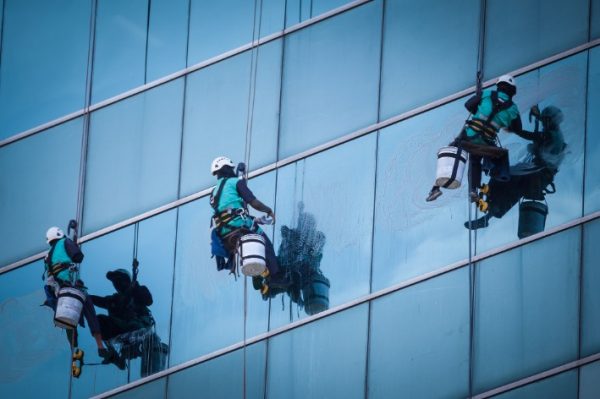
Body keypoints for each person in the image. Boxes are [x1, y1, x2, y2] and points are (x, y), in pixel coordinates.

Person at [465, 105, 566, 230]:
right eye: (544, 120)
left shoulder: (552, 135)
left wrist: (514, 129)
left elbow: (531, 136)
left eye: (546, 120)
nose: (544, 123)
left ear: (552, 120)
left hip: (537, 172)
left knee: (506, 179)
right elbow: (541, 137)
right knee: (511, 189)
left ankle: (488, 210)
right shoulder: (554, 132)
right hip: (538, 172)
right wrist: (537, 115)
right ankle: (487, 213)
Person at [426, 75, 522, 203]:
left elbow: (468, 105)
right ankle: (473, 190)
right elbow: (518, 128)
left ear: (499, 86)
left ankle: (435, 188)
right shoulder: (513, 109)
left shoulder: (487, 94)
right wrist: (504, 123)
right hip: (486, 144)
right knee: (475, 160)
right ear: (512, 91)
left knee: (452, 150)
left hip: (468, 138)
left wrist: (479, 111)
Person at [209, 156, 283, 293]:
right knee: (265, 243)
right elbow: (253, 202)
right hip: (239, 227)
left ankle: (260, 274)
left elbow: (230, 212)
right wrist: (268, 210)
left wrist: (255, 219)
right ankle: (276, 277)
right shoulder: (235, 182)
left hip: (223, 232)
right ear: (228, 169)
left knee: (250, 249)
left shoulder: (213, 192)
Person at [43, 226, 110, 360]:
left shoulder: (47, 255)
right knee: (89, 309)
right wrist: (73, 245)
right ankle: (100, 346)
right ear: (60, 235)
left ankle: (73, 347)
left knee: (67, 316)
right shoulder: (65, 242)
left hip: (57, 289)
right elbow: (78, 257)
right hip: (69, 284)